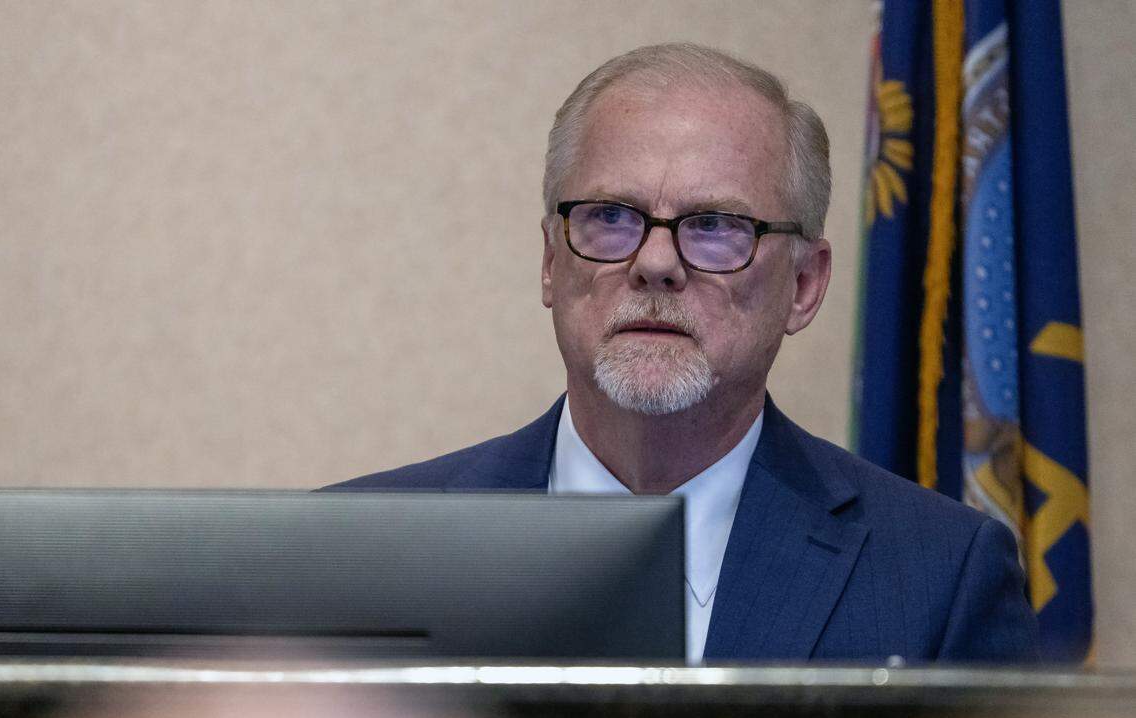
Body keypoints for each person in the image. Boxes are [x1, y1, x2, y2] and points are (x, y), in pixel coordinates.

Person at [326, 43, 1039, 664]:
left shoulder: (940, 577)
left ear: (803, 284)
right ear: (550, 261)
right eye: (611, 217)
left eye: (715, 226)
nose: (657, 262)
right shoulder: (357, 553)